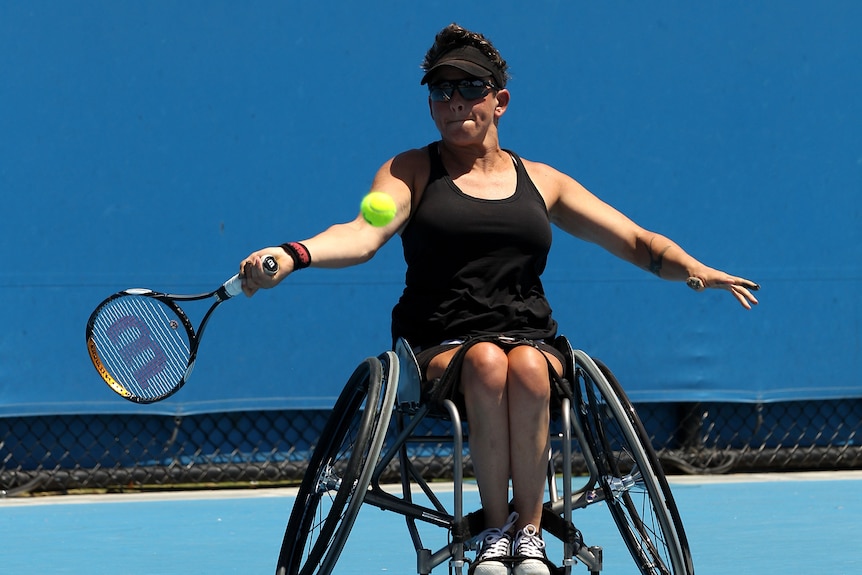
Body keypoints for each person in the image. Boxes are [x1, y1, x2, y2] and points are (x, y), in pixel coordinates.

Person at [240, 23, 759, 575]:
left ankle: (528, 536)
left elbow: (634, 240)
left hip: (531, 336)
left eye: (469, 88)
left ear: (500, 100)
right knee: (488, 361)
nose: (454, 102)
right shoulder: (410, 170)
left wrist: (692, 269)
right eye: (441, 91)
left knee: (529, 366)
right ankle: (494, 532)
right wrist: (294, 254)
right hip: (439, 342)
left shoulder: (543, 181)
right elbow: (362, 233)